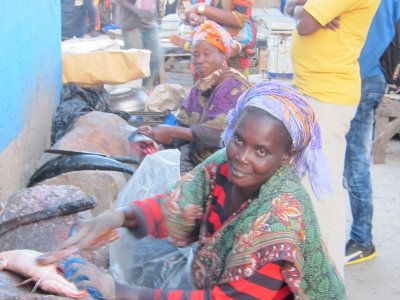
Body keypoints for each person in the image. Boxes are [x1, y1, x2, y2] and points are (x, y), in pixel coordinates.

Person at [37, 81, 345, 299]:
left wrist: (120, 291)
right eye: (239, 139)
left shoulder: (280, 220)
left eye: (261, 151)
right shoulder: (223, 163)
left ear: (286, 157)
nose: (243, 158)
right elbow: (179, 203)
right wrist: (116, 217)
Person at [285, 0, 379, 274]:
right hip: (313, 92)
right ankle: (307, 270)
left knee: (322, 193)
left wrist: (305, 12)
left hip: (326, 97)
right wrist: (303, 8)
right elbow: (291, 6)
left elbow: (304, 25)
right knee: (308, 188)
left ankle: (329, 278)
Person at [138, 21, 251, 174]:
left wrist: (172, 131)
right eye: (195, 55)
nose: (199, 60)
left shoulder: (233, 85)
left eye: (207, 54)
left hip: (228, 167)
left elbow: (218, 134)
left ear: (223, 54)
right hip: (199, 159)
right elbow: (184, 129)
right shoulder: (199, 88)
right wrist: (155, 135)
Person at [344, 0, 400, 265]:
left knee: (354, 164)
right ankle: (361, 238)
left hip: (357, 76)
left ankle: (362, 240)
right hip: (372, 75)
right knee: (354, 162)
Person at [171, 0, 257, 77]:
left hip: (234, 56)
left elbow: (239, 19)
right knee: (203, 89)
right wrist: (191, 16)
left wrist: (200, 7)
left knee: (231, 90)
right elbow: (183, 10)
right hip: (201, 49)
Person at [113, 0, 162, 89]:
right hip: (131, 23)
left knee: (155, 59)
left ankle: (144, 88)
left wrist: (155, 14)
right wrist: (137, 11)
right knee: (136, 63)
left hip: (150, 23)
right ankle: (137, 91)